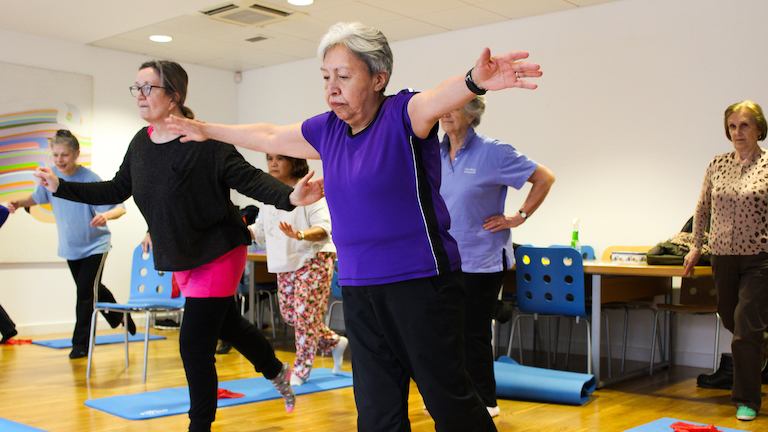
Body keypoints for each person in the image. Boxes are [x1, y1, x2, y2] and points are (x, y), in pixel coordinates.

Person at [166, 21, 542, 432]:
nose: (332, 87)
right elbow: (270, 133)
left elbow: (439, 97)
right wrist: (205, 130)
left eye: (344, 76)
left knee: (449, 403)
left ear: (378, 78)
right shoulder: (327, 131)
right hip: (361, 289)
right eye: (326, 77)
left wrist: (475, 81)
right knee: (377, 413)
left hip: (422, 286)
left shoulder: (402, 114)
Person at [34, 60, 324, 432]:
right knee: (229, 325)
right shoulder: (141, 143)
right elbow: (116, 188)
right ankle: (275, 370)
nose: (139, 96)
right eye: (135, 87)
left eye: (147, 88)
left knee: (193, 345)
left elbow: (248, 178)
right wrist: (61, 188)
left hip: (220, 250)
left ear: (174, 96)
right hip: (182, 255)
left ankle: (199, 426)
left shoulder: (204, 141)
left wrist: (291, 196)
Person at [439, 96, 555, 417]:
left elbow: (544, 177)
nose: (445, 112)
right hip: (444, 259)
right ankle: (458, 398)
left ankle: (485, 400)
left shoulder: (494, 152)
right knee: (446, 332)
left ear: (472, 114)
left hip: (482, 258)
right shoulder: (433, 154)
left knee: (473, 332)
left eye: (454, 106)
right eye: (443, 107)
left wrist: (518, 216)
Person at [7, 129, 133, 359]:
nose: (59, 160)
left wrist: (106, 216)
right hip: (71, 248)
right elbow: (37, 198)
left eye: (64, 155)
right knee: (92, 290)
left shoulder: (89, 178)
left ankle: (81, 345)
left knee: (85, 293)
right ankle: (119, 315)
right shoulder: (51, 177)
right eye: (55, 155)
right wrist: (18, 202)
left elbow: (120, 207)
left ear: (76, 154)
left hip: (96, 245)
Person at [684, 100, 768, 422]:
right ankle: (760, 348)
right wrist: (695, 247)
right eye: (732, 126)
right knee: (732, 321)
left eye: (744, 125)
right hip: (722, 257)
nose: (738, 132)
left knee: (745, 331)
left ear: (759, 128)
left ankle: (746, 399)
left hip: (759, 258)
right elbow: (702, 208)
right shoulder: (717, 164)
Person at [248, 153, 347, 386]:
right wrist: (235, 229)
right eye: (269, 158)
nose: (273, 163)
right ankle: (333, 342)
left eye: (279, 159)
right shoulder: (269, 196)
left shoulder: (310, 192)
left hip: (314, 258)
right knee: (292, 316)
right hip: (286, 263)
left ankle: (301, 369)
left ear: (294, 162)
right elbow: (260, 230)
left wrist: (301, 234)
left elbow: (324, 228)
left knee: (304, 316)